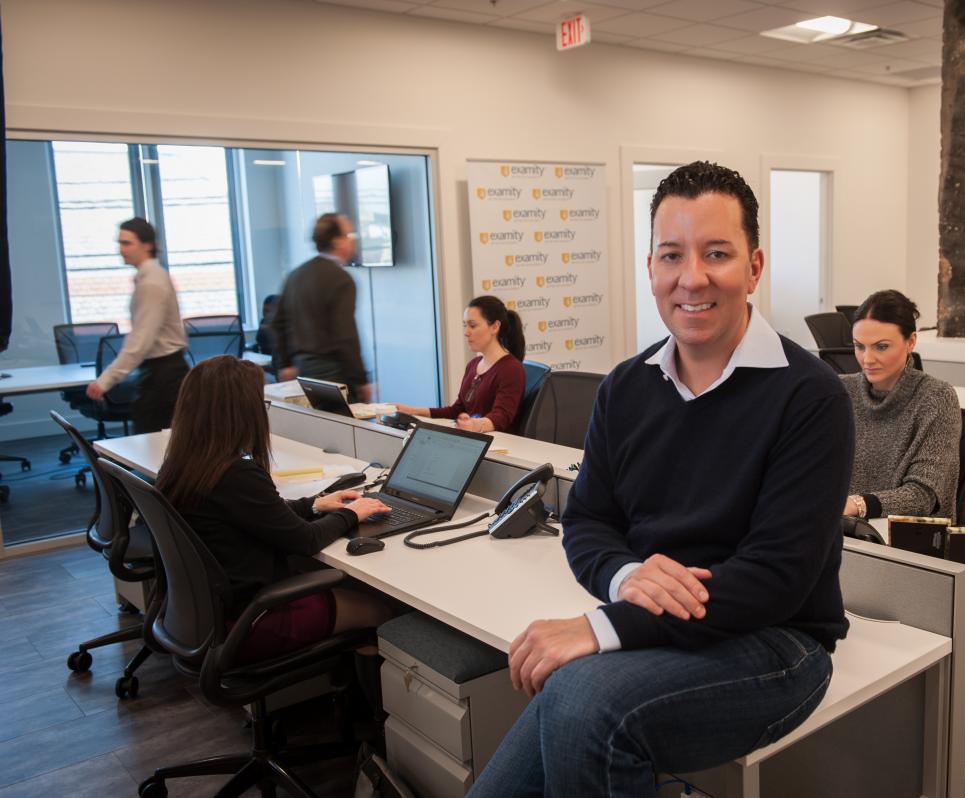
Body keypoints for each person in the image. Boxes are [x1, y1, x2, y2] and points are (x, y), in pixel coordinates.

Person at [468, 162, 854, 796]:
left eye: (717, 254)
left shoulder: (810, 396)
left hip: (774, 641)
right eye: (672, 255)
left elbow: (775, 580)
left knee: (584, 702)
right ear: (651, 268)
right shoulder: (625, 386)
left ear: (754, 267)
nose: (691, 278)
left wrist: (605, 625)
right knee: (565, 708)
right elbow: (589, 520)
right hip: (659, 628)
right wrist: (626, 578)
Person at [155, 355, 393, 664]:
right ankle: (362, 693)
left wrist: (314, 504)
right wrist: (352, 512)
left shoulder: (182, 465)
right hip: (251, 622)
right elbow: (306, 540)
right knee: (381, 609)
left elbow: (258, 514)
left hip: (208, 615)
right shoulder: (236, 474)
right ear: (241, 412)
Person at [842, 289, 960, 521]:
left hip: (906, 537)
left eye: (881, 346)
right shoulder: (841, 391)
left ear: (911, 342)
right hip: (844, 529)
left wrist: (856, 504)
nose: (867, 359)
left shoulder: (937, 398)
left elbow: (922, 496)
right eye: (859, 346)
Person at [85, 218, 189, 434]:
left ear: (147, 245)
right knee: (157, 441)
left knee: (154, 443)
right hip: (162, 372)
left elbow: (140, 340)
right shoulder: (151, 277)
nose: (121, 250)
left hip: (165, 375)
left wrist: (105, 380)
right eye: (120, 243)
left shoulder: (151, 282)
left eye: (127, 243)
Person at [272, 213, 372, 401]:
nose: (353, 241)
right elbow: (346, 335)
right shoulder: (341, 279)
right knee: (342, 420)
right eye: (349, 235)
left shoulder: (296, 275)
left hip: (302, 371)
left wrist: (285, 363)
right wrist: (360, 380)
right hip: (333, 373)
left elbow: (278, 323)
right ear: (337, 242)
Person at [392, 295, 525, 433]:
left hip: (496, 442)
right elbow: (457, 410)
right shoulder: (473, 364)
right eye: (465, 325)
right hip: (472, 437)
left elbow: (501, 417)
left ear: (495, 327)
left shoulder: (511, 369)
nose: (466, 332)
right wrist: (412, 411)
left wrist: (474, 425)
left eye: (472, 326)